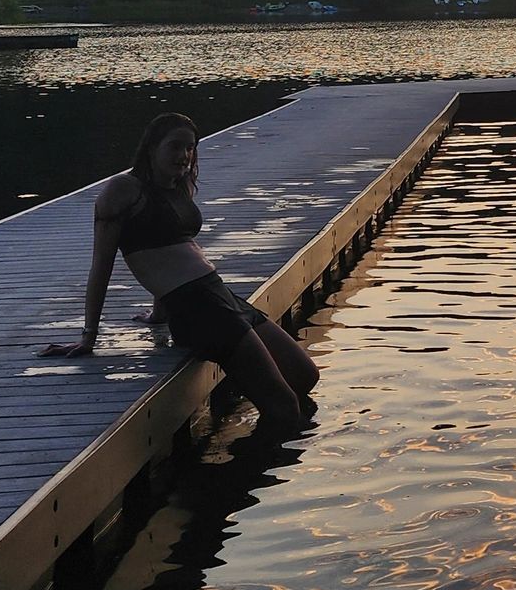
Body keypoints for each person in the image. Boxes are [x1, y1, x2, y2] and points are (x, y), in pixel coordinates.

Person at [52, 111, 319, 426]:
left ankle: (251, 386)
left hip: (221, 296)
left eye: (190, 147)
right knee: (284, 407)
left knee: (304, 376)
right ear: (152, 147)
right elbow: (101, 267)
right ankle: (256, 460)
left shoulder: (180, 187)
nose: (184, 155)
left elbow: (170, 248)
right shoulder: (123, 191)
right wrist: (89, 336)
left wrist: (157, 313)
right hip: (198, 310)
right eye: (175, 146)